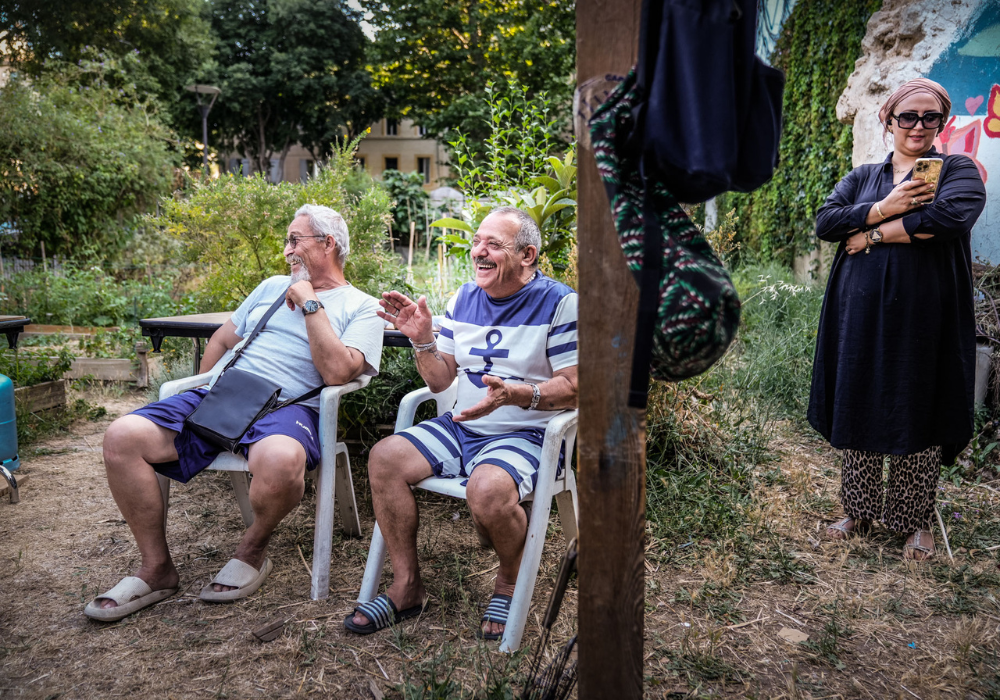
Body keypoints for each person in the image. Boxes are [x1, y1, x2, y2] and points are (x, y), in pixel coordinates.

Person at [85, 205, 384, 621]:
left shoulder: (362, 306)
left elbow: (337, 372)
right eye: (287, 241)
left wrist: (311, 303)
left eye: (294, 240)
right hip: (229, 393)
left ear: (328, 244)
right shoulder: (269, 288)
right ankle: (156, 569)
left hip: (290, 406)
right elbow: (224, 338)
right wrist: (204, 388)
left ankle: (253, 548)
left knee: (281, 461)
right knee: (122, 436)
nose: (286, 251)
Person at [345, 207, 578, 640]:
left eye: (493, 244)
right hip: (462, 427)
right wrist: (421, 340)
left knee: (486, 490)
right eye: (476, 242)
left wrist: (517, 394)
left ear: (528, 254)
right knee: (384, 459)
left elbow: (577, 387)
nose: (479, 252)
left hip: (529, 432)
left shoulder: (561, 304)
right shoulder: (463, 299)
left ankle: (509, 582)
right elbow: (439, 379)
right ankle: (406, 586)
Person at [808, 78, 986, 561]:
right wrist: (881, 206)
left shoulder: (957, 169)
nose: (918, 126)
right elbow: (827, 221)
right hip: (861, 312)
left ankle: (915, 521)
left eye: (931, 117)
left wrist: (874, 233)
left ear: (942, 123)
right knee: (862, 395)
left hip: (927, 314)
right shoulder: (864, 176)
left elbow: (950, 218)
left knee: (918, 403)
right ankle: (858, 510)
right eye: (907, 116)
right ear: (888, 122)